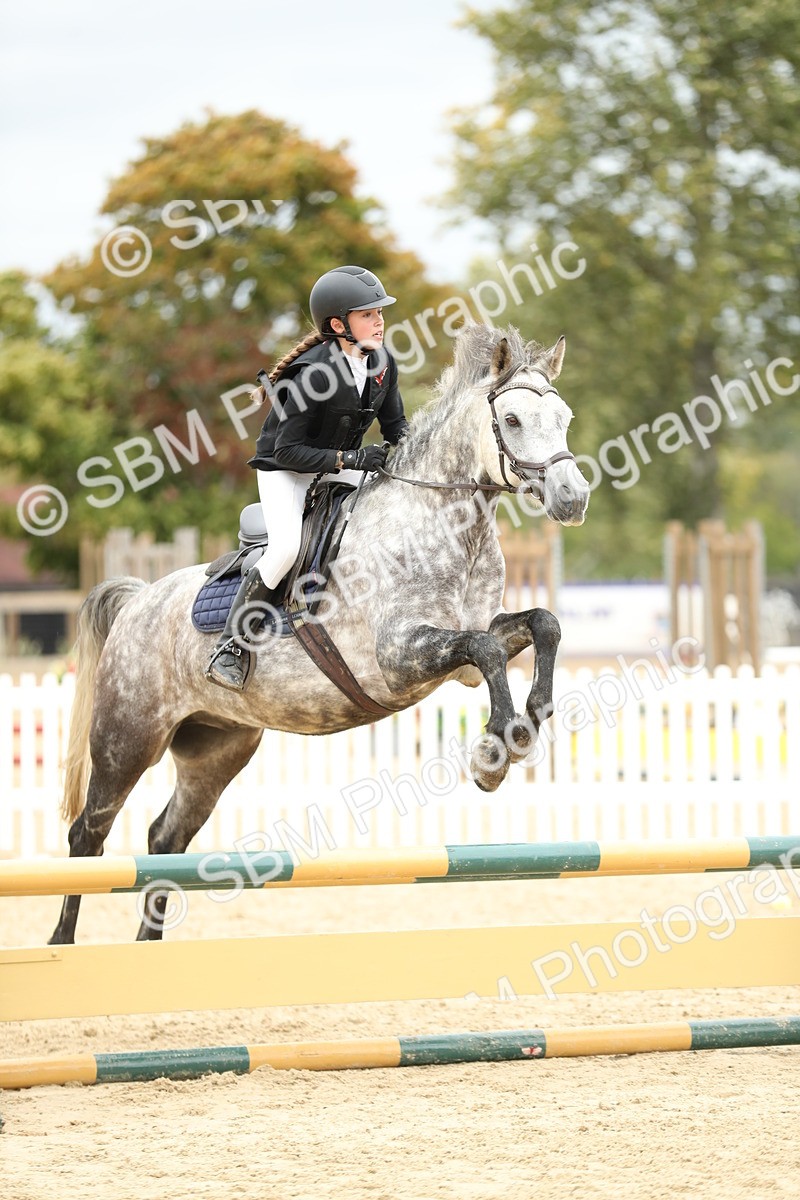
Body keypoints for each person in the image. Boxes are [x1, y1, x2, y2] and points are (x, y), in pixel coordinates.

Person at [206, 264, 408, 691]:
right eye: (368, 314)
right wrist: (352, 457)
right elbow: (288, 451)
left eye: (379, 312)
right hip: (286, 472)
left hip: (338, 467)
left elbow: (397, 432)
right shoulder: (312, 375)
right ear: (339, 325)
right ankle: (230, 646)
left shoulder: (383, 365)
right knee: (285, 549)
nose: (379, 321)